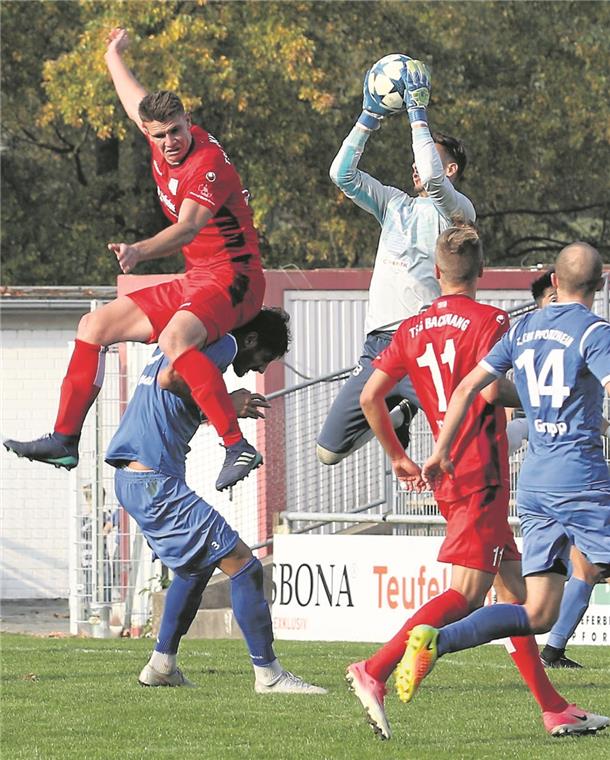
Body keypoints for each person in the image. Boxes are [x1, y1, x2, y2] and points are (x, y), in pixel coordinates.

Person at [345, 219, 601, 739]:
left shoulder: (410, 328)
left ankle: (553, 707)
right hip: (480, 468)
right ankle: (375, 667)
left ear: (435, 271)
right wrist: (550, 401)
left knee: (518, 602)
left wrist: (399, 455)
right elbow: (486, 392)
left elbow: (371, 396)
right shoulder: (491, 319)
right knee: (466, 594)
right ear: (482, 270)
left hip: (448, 470)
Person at [4, 27, 265, 491]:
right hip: (198, 277)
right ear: (149, 132)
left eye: (177, 131)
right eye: (160, 135)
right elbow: (133, 98)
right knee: (93, 328)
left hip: (236, 280)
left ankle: (235, 445)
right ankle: (65, 439)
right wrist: (112, 54)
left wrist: (138, 251)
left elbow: (187, 227)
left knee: (176, 341)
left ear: (189, 122)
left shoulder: (206, 162)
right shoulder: (158, 132)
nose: (170, 142)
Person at [105, 307, 325, 694]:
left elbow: (172, 390)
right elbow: (170, 379)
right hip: (153, 481)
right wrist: (228, 398)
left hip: (137, 477)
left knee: (194, 571)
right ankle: (270, 676)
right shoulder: (223, 343)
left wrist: (221, 404)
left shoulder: (185, 339)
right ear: (252, 340)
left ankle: (161, 665)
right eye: (262, 359)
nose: (252, 369)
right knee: (244, 565)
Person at [316, 60, 475, 465]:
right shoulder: (394, 204)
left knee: (461, 443)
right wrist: (368, 118)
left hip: (423, 342)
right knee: (327, 453)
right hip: (378, 347)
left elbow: (434, 180)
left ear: (450, 168)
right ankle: (400, 412)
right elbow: (341, 174)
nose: (417, 169)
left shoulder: (456, 209)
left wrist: (417, 114)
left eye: (430, 161)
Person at [508, 267, 608, 670]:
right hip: (574, 476)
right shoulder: (585, 332)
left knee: (575, 575)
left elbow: (474, 387)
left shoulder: (523, 334)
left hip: (537, 483)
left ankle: (552, 649)